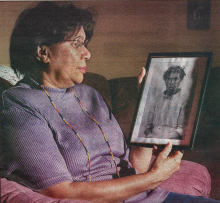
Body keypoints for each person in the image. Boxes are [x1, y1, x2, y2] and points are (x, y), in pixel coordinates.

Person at [1, 2, 219, 203]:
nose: (87, 53)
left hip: (149, 198)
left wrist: (146, 106)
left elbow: (134, 167)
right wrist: (155, 177)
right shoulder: (19, 105)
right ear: (43, 52)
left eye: (85, 44)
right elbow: (58, 190)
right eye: (76, 44)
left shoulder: (90, 94)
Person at [144, 66, 187, 139]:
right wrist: (149, 136)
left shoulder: (183, 100)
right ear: (165, 80)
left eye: (175, 79)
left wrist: (164, 139)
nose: (172, 82)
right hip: (153, 138)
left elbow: (182, 128)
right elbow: (147, 126)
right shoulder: (157, 99)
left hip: (171, 140)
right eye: (169, 79)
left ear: (180, 80)